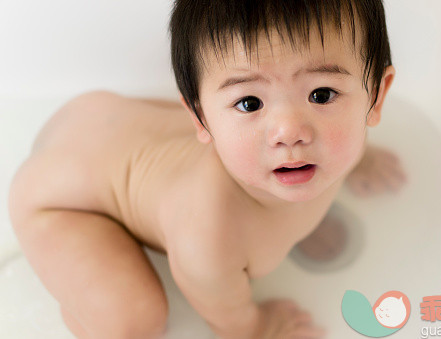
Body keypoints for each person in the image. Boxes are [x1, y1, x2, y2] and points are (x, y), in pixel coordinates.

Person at [7, 0, 406, 338]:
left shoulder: (336, 141)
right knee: (133, 320)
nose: (289, 132)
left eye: (322, 94)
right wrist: (257, 326)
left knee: (233, 127)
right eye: (251, 102)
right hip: (61, 200)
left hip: (101, 120)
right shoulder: (211, 234)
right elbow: (223, 309)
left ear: (375, 97)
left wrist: (360, 159)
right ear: (198, 117)